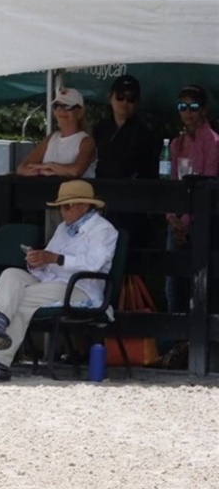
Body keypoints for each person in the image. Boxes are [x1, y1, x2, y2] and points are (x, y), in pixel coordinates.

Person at [0, 180, 118, 382]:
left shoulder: (104, 230)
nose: (63, 212)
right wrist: (37, 261)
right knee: (11, 274)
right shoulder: (63, 228)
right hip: (51, 282)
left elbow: (93, 264)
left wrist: (55, 258)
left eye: (67, 206)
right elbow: (49, 262)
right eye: (61, 207)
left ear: (84, 205)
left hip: (80, 288)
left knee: (20, 300)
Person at [165, 84, 219, 313]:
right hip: (178, 218)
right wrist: (171, 217)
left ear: (204, 110)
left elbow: (210, 178)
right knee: (173, 283)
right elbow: (171, 181)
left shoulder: (214, 142)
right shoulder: (176, 144)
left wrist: (185, 222)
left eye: (194, 106)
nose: (188, 112)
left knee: (201, 284)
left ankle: (200, 335)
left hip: (203, 221)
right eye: (182, 106)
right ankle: (173, 332)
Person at [92, 75, 159, 248]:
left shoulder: (143, 130)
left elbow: (128, 167)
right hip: (101, 202)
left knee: (128, 253)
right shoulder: (100, 128)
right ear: (110, 97)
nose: (125, 102)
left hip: (132, 204)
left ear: (137, 102)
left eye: (131, 98)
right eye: (120, 96)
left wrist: (102, 166)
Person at [16, 87, 97, 178]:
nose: (61, 111)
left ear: (80, 112)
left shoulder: (86, 142)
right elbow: (22, 168)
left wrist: (49, 166)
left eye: (67, 106)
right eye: (57, 106)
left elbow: (75, 171)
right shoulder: (50, 138)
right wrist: (41, 172)